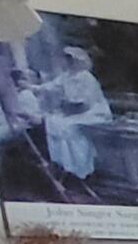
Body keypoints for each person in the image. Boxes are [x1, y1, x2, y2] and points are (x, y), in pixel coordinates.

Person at [39, 44, 113, 180]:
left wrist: (68, 109)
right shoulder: (66, 76)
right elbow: (50, 87)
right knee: (53, 122)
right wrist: (32, 87)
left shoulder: (86, 78)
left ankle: (79, 166)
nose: (65, 63)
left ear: (76, 61)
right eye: (65, 60)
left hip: (93, 111)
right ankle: (63, 163)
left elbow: (86, 103)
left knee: (67, 126)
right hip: (75, 111)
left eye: (68, 60)